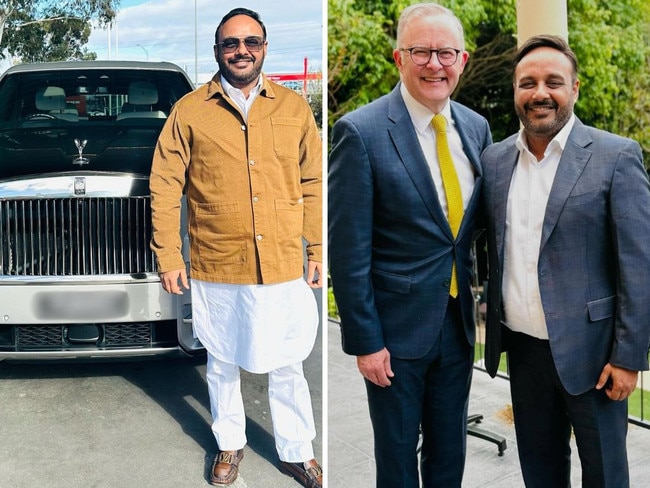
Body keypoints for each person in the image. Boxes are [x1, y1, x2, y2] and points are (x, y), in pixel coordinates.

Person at [149, 7, 323, 488]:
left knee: (289, 360)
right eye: (231, 43)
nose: (241, 50)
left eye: (251, 41)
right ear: (217, 51)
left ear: (264, 47)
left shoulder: (293, 109)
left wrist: (317, 250)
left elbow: (313, 180)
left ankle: (296, 452)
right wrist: (168, 254)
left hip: (285, 259)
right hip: (218, 261)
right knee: (222, 359)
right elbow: (165, 185)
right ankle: (230, 444)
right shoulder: (190, 111)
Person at [328, 3, 491, 487]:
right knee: (397, 462)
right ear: (400, 58)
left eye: (446, 52)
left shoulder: (476, 128)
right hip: (394, 337)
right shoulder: (361, 131)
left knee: (448, 456)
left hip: (458, 329)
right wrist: (366, 341)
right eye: (422, 51)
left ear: (462, 60)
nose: (434, 64)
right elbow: (348, 248)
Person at [482, 34, 650, 488]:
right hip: (524, 351)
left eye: (553, 82)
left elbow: (639, 264)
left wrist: (629, 357)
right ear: (515, 91)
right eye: (527, 82)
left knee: (606, 473)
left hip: (595, 356)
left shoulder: (616, 156)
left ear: (574, 88)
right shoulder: (495, 161)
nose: (540, 93)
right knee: (540, 471)